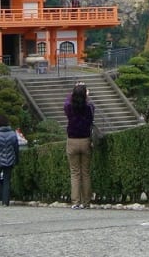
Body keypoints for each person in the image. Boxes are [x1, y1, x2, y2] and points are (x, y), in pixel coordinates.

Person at [63, 81, 94, 209]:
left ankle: (75, 202)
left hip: (72, 140)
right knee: (85, 172)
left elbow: (66, 102)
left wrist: (74, 91)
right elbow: (92, 109)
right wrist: (86, 95)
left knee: (75, 173)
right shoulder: (89, 107)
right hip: (86, 140)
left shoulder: (69, 107)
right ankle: (86, 202)